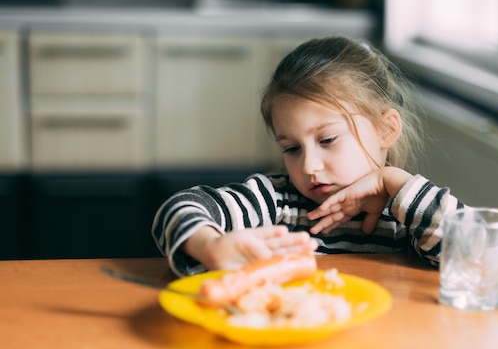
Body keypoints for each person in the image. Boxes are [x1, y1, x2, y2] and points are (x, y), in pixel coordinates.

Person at [152, 36, 467, 277]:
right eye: (291, 148)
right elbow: (179, 209)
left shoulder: (407, 213)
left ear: (386, 130)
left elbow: (473, 252)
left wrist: (394, 182)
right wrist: (209, 247)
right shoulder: (276, 202)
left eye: (327, 140)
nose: (309, 166)